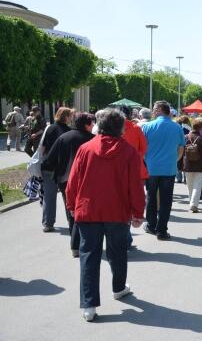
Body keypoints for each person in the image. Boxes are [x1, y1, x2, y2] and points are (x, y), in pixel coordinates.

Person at [65, 108, 145, 322]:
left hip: (88, 210)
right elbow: (135, 186)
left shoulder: (85, 149)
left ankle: (89, 305)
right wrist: (138, 212)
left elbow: (73, 181)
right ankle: (118, 288)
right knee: (117, 252)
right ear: (121, 128)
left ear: (99, 126)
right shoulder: (128, 152)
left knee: (89, 256)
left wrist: (71, 205)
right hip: (117, 211)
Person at [41, 113, 95, 256]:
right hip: (86, 180)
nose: (93, 126)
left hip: (64, 179)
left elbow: (50, 159)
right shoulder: (93, 139)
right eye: (92, 123)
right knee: (85, 210)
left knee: (70, 209)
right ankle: (82, 241)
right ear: (87, 125)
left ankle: (74, 242)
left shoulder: (64, 137)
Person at [142, 101, 186, 240]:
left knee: (151, 197)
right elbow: (181, 149)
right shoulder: (177, 127)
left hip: (151, 168)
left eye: (154, 109)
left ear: (159, 110)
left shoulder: (147, 126)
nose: (153, 111)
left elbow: (142, 148)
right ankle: (162, 230)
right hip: (169, 168)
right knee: (166, 200)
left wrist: (147, 160)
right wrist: (174, 160)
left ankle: (151, 225)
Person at [119, 105, 148, 249]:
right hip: (136, 170)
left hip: (117, 171)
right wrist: (136, 157)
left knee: (119, 203)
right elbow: (144, 148)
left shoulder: (113, 129)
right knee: (133, 201)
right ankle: (126, 235)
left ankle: (124, 236)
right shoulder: (136, 128)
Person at [40, 107, 74, 232]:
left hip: (49, 166)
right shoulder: (70, 132)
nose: (71, 118)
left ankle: (48, 223)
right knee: (67, 197)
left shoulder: (49, 128)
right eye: (70, 116)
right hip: (63, 169)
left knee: (49, 196)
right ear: (66, 117)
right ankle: (71, 223)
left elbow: (42, 148)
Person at [183, 119, 202, 212]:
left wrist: (180, 166)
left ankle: (191, 202)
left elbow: (182, 152)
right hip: (200, 165)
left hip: (188, 164)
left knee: (190, 185)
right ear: (201, 128)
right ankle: (194, 204)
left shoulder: (186, 137)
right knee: (197, 185)